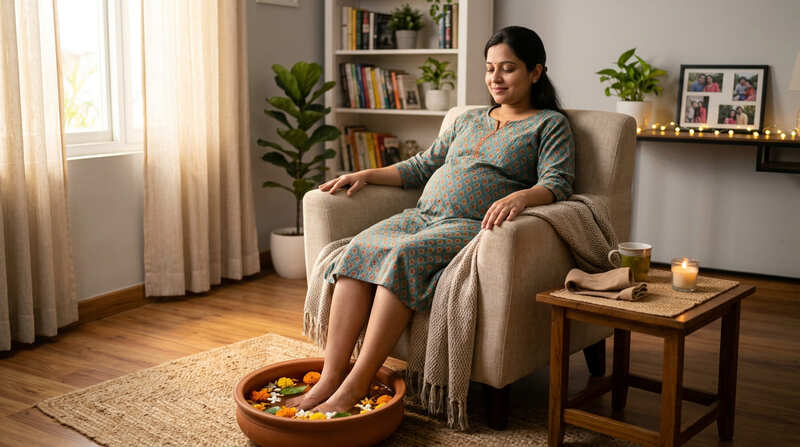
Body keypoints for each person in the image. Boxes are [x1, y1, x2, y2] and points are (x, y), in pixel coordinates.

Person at [291, 26, 575, 414]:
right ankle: (330, 377)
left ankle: (357, 385)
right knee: (358, 250)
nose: (495, 78)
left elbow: (557, 182)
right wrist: (366, 174)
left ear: (536, 72)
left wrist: (524, 195)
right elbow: (424, 165)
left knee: (403, 257)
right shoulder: (468, 120)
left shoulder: (549, 124)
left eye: (507, 69)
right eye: (490, 68)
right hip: (421, 215)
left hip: (469, 223)